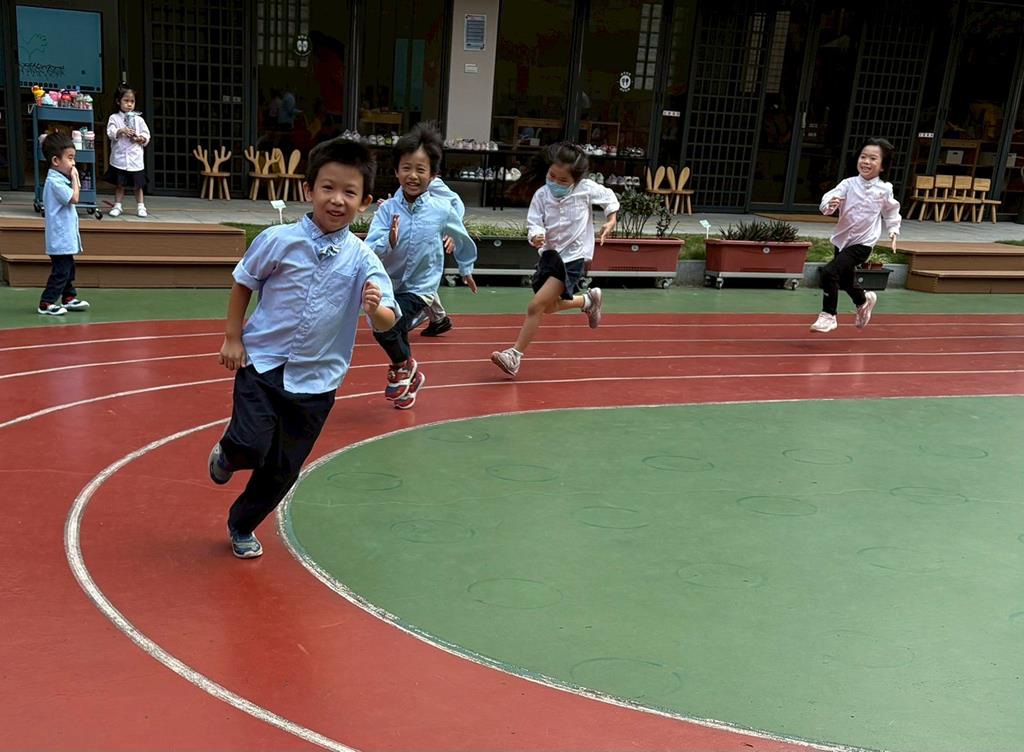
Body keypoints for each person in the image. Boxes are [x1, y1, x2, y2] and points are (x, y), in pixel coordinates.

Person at [208, 137, 398, 559]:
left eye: (349, 192)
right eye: (328, 187)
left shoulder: (363, 259)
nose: (337, 199)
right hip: (263, 364)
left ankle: (242, 525)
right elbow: (244, 282)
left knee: (283, 468)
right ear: (308, 189)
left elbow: (388, 318)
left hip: (317, 380)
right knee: (251, 444)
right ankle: (228, 454)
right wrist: (233, 337)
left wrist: (376, 309)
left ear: (365, 202)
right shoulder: (278, 240)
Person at [364, 122, 477, 409]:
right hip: (390, 282)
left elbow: (462, 238)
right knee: (388, 325)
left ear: (433, 175)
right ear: (396, 171)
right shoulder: (387, 210)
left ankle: (402, 366)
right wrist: (389, 240)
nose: (412, 175)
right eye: (406, 168)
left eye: (420, 169)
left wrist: (466, 269)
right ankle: (409, 378)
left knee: (388, 325)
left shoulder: (441, 210)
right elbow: (370, 248)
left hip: (421, 286)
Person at [490, 142, 617, 377]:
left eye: (563, 180)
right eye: (552, 176)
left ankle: (514, 356)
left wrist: (611, 220)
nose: (555, 183)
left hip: (574, 258)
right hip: (549, 257)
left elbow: (609, 198)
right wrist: (535, 235)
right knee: (548, 307)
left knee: (535, 306)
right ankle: (587, 301)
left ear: (576, 180)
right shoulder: (541, 194)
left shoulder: (585, 189)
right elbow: (534, 221)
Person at [811, 137, 902, 334]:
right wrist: (830, 205)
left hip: (863, 243)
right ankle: (863, 301)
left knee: (829, 272)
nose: (866, 161)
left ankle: (828, 315)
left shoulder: (884, 189)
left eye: (873, 158)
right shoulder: (848, 184)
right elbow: (827, 200)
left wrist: (893, 230)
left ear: (883, 166)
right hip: (842, 240)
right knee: (845, 281)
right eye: (863, 157)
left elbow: (891, 211)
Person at [37, 132, 90, 316]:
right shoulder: (54, 182)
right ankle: (47, 302)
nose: (73, 163)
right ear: (55, 161)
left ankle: (68, 297)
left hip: (64, 237)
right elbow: (74, 198)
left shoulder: (59, 180)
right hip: (59, 238)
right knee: (61, 272)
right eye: (70, 158)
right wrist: (75, 178)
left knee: (68, 269)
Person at [104, 84, 151, 217]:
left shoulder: (139, 119)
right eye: (126, 100)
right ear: (118, 101)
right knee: (120, 184)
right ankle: (118, 205)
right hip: (119, 158)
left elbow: (146, 134)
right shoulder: (114, 118)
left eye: (132, 101)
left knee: (138, 185)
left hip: (135, 159)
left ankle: (141, 206)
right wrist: (120, 131)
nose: (129, 104)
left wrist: (140, 138)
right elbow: (110, 132)